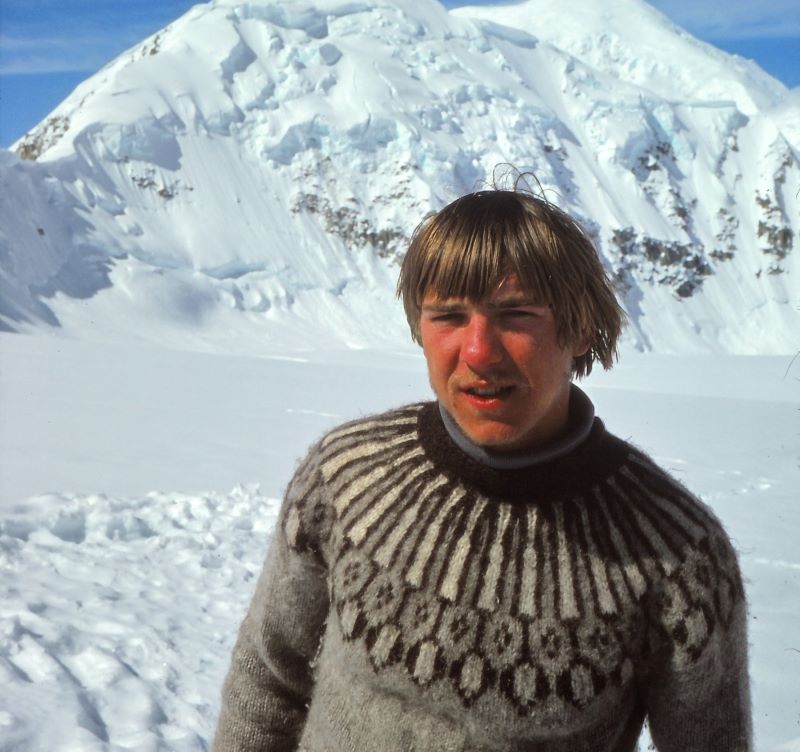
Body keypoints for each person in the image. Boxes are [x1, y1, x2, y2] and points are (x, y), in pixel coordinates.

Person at [213, 188, 752, 751]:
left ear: (581, 327)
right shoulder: (344, 479)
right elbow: (269, 676)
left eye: (516, 314)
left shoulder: (678, 555)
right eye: (448, 316)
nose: (477, 352)